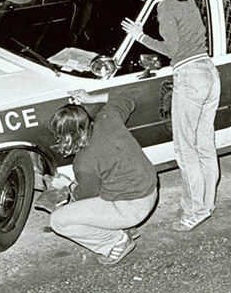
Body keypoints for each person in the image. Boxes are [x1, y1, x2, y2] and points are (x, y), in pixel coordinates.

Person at [121, 0, 221, 231]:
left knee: (185, 150)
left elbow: (172, 49)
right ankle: (206, 204)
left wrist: (140, 36)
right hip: (210, 74)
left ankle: (194, 211)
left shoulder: (166, 7)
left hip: (189, 77)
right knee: (204, 146)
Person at [48, 90, 158, 265]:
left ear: (67, 137)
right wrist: (90, 98)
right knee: (105, 181)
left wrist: (68, 185)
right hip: (150, 189)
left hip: (133, 207)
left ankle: (116, 241)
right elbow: (126, 97)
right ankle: (124, 226)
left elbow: (86, 196)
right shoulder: (108, 118)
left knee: (58, 221)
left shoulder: (83, 162)